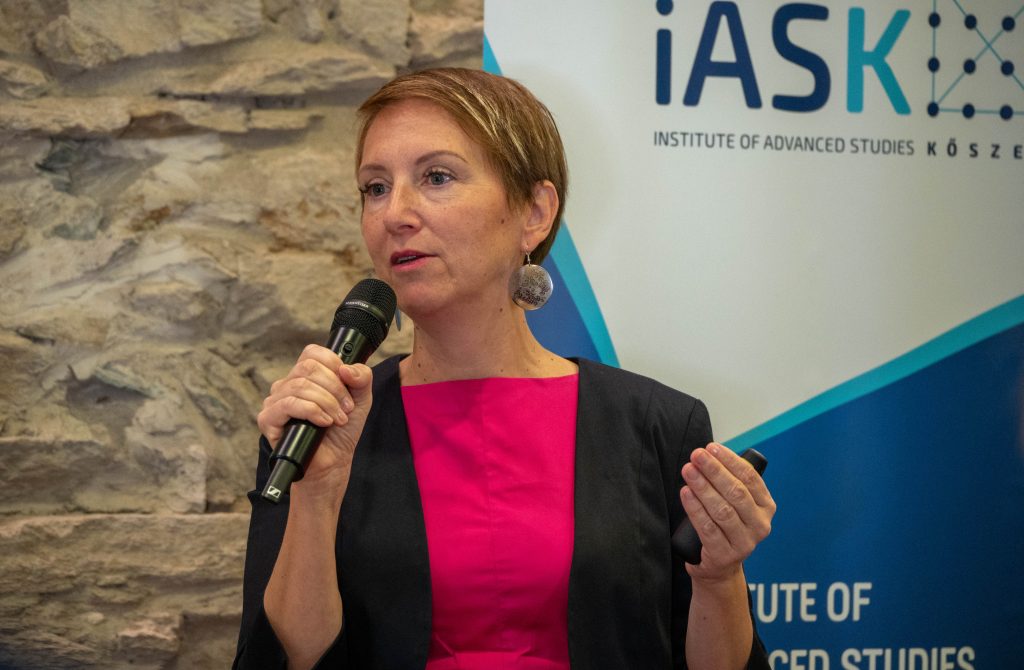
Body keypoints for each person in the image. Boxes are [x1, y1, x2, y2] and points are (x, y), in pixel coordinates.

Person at [234, 67, 776, 670]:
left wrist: (719, 577)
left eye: (437, 177)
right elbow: (285, 659)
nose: (395, 214)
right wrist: (316, 497)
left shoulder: (657, 425)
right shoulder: (323, 422)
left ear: (534, 213)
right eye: (375, 188)